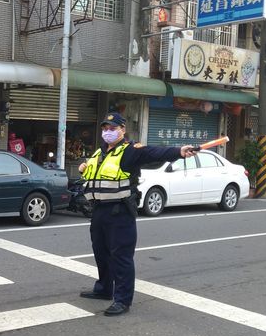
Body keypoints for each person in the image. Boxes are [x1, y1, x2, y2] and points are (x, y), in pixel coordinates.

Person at [78, 112, 196, 316]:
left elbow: (155, 153)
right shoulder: (100, 152)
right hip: (99, 211)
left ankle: (122, 300)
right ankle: (104, 289)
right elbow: (93, 173)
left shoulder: (131, 151)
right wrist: (83, 168)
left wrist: (179, 151)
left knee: (121, 257)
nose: (108, 132)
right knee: (101, 253)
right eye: (105, 129)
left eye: (112, 129)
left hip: (120, 212)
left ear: (123, 130)